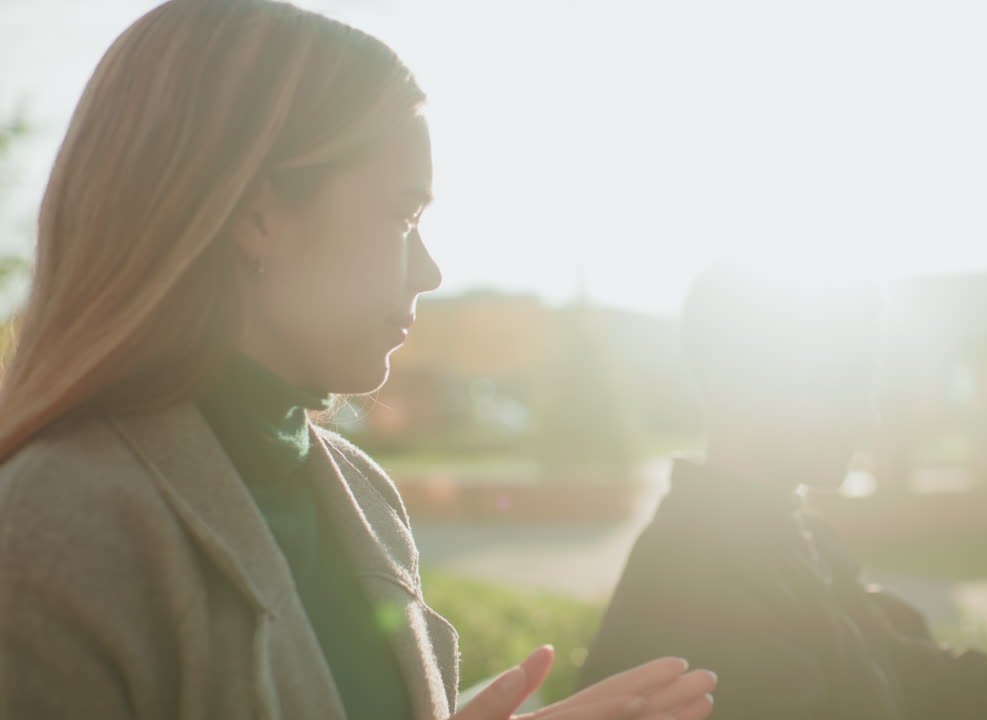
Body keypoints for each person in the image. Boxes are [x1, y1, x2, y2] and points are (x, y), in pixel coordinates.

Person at [0, 2, 717, 719]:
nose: (431, 271)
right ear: (256, 216)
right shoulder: (46, 532)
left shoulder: (361, 493)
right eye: (403, 216)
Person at [578, 261, 987, 719]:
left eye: (866, 382)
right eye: (837, 380)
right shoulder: (701, 580)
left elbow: (923, 683)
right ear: (731, 381)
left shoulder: (793, 538)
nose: (865, 413)